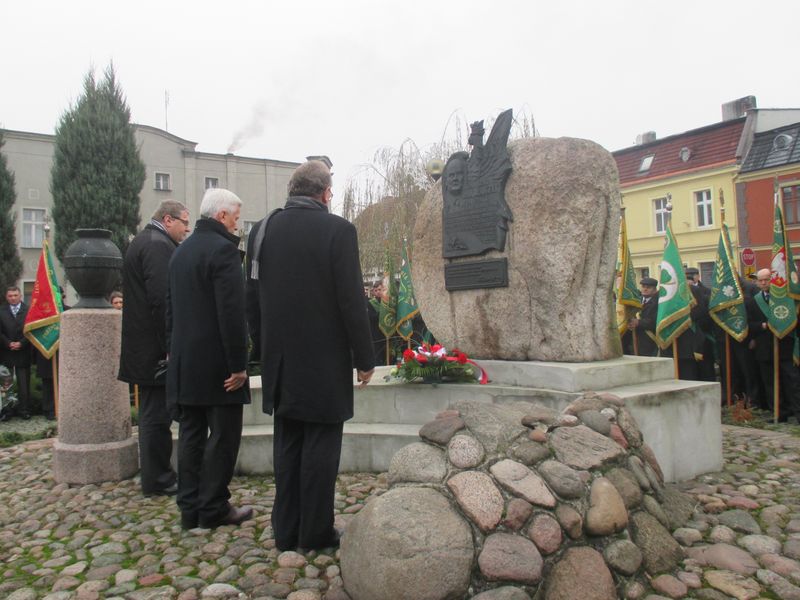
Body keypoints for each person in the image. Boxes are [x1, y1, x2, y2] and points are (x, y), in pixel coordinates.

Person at [246, 160, 375, 552]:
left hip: (280, 361)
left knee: (287, 445)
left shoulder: (262, 229)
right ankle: (315, 533)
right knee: (320, 447)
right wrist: (365, 357)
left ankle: (286, 530)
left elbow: (250, 296)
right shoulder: (338, 230)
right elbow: (351, 300)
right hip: (324, 363)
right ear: (325, 193)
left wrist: (261, 346)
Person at [167, 188, 251, 530]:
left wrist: (174, 354)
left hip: (186, 361)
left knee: (191, 434)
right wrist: (238, 365)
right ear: (221, 216)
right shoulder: (223, 252)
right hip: (218, 366)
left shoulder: (180, 253)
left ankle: (189, 508)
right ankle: (214, 506)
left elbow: (171, 312)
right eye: (235, 216)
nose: (238, 223)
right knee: (223, 436)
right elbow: (231, 314)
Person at [118, 200, 190, 497]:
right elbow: (163, 300)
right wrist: (171, 346)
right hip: (155, 350)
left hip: (146, 347)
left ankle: (157, 475)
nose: (187, 228)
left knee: (154, 415)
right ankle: (158, 479)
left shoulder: (146, 241)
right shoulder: (157, 245)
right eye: (184, 222)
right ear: (168, 219)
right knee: (156, 417)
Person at [747, 268, 800, 421]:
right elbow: (749, 324)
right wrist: (763, 326)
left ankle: (797, 412)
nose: (764, 283)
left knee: (792, 381)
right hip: (765, 348)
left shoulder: (784, 298)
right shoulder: (753, 301)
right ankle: (778, 412)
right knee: (770, 383)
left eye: (767, 279)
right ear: (756, 282)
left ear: (773, 280)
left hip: (785, 346)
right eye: (760, 280)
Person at [0, 286, 32, 419]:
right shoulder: (1, 311)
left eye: (15, 295)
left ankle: (24, 410)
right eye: (10, 296)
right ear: (6, 297)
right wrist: (8, 343)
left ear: (20, 296)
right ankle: (7, 411)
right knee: (6, 384)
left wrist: (22, 343)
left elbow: (32, 329)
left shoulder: (29, 310)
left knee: (23, 384)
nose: (13, 298)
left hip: (23, 352)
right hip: (6, 352)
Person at [627, 277, 659, 357]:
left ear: (655, 289)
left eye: (648, 288)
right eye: (643, 287)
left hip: (651, 341)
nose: (645, 289)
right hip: (636, 340)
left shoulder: (659, 302)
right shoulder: (637, 301)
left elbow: (655, 320)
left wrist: (639, 322)